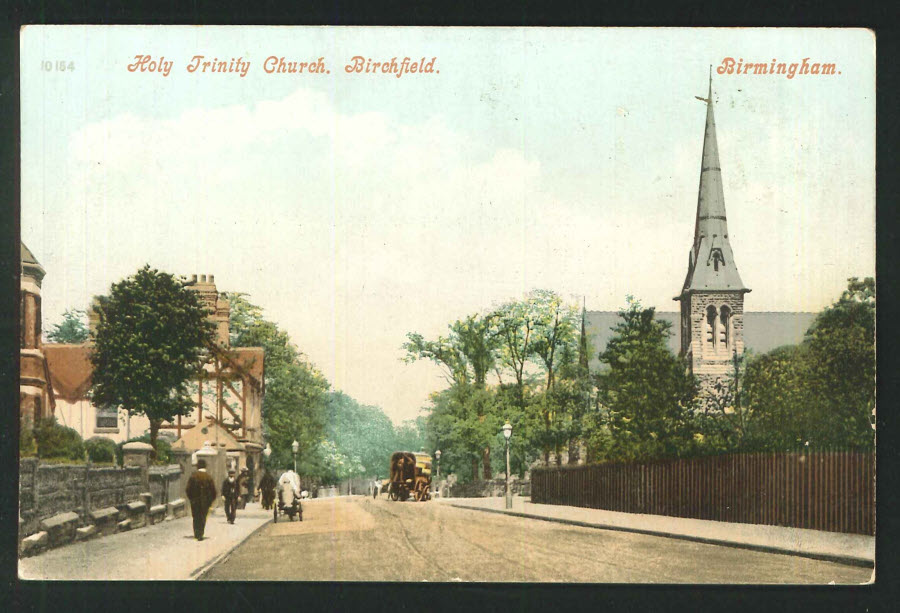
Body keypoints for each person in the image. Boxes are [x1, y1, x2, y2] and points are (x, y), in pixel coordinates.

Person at [185, 459, 217, 540]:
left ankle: (196, 533)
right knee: (203, 517)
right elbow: (213, 491)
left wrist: (191, 499)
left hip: (195, 501)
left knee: (196, 517)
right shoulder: (209, 477)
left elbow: (188, 489)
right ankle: (201, 533)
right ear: (205, 466)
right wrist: (210, 501)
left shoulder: (193, 476)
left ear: (197, 466)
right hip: (205, 502)